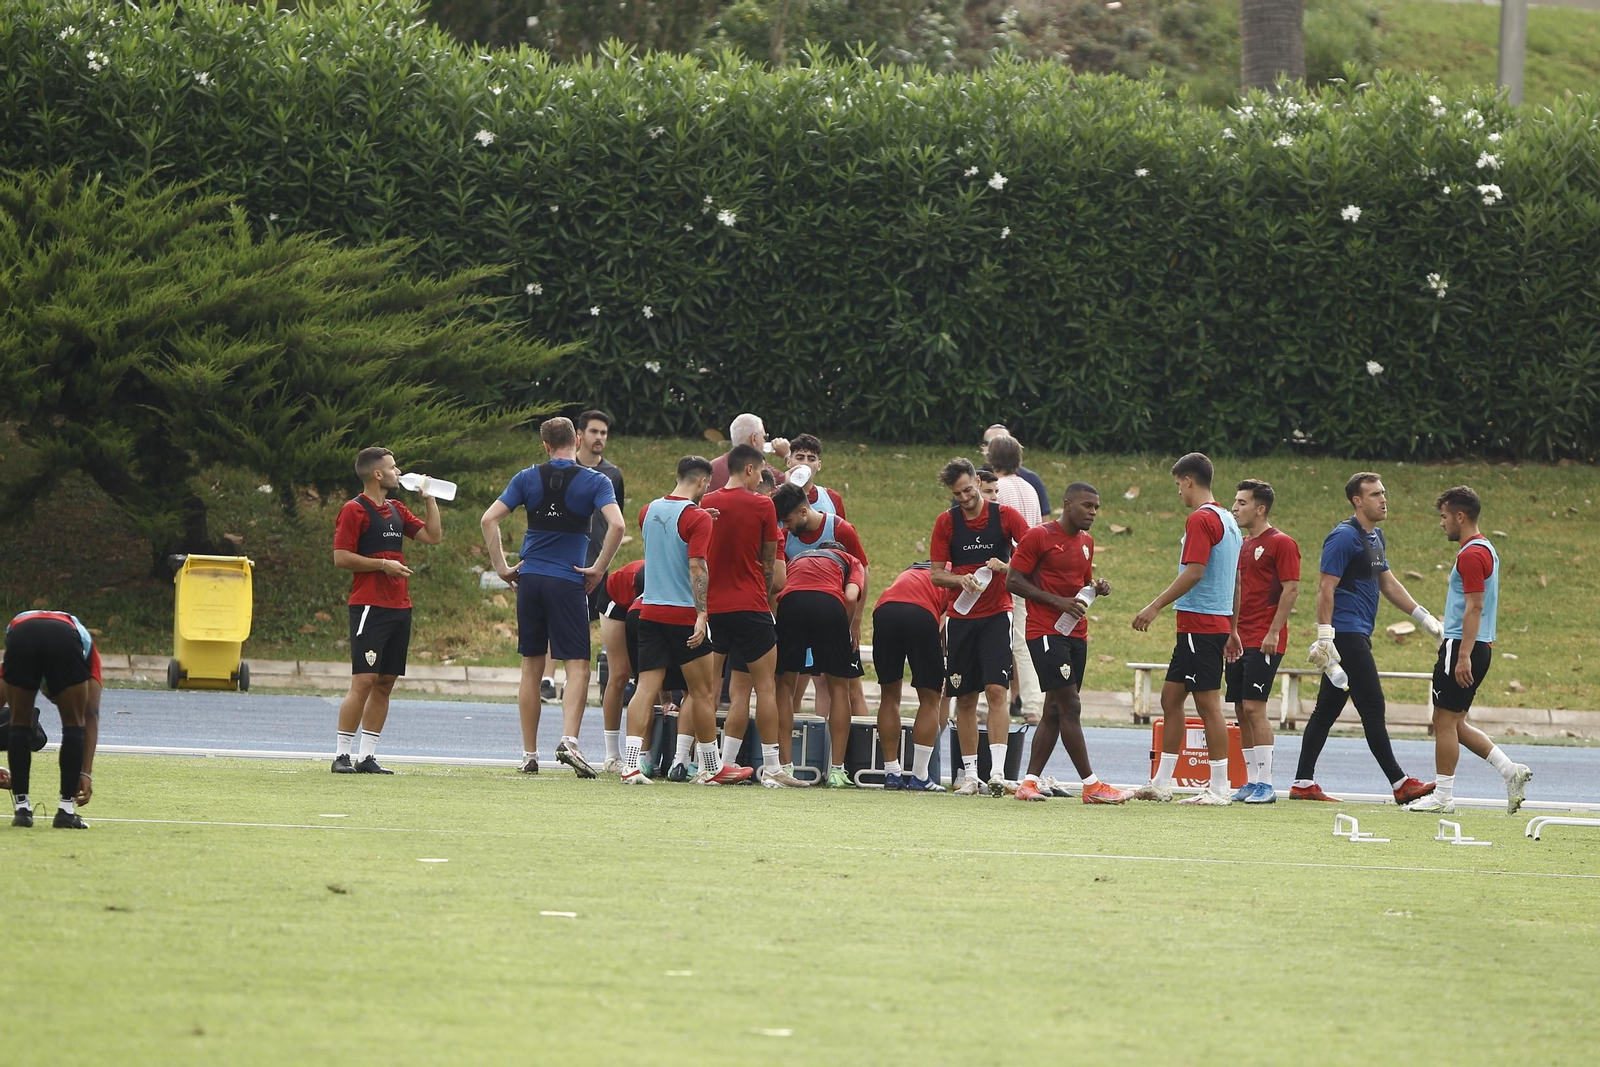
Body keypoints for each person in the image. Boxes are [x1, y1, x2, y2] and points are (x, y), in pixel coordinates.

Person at [481, 417, 624, 777]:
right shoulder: (596, 480)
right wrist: (598, 568)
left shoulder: (527, 477)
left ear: (545, 445)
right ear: (576, 440)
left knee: (531, 666)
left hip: (530, 579)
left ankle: (529, 754)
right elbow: (618, 526)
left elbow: (488, 520)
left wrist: (502, 567)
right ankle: (569, 741)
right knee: (577, 665)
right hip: (567, 580)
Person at [1293, 472, 1439, 805]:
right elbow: (1324, 587)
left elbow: (1387, 583)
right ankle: (1400, 782)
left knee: (1326, 710)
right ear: (1357, 501)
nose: (1383, 499)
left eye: (1383, 492)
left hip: (1358, 631)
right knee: (1372, 706)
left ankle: (1303, 782)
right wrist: (1325, 637)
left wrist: (1423, 617)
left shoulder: (1375, 538)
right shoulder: (1343, 537)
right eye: (1374, 494)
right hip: (1345, 634)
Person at [621, 457, 752, 785]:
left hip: (649, 611)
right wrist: (702, 613)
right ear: (704, 482)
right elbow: (696, 567)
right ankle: (711, 767)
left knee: (646, 689)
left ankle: (632, 764)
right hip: (681, 614)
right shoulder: (697, 518)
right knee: (702, 691)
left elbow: (670, 538)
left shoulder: (648, 511)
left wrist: (699, 519)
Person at [1406, 486, 1532, 815]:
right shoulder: (1485, 549)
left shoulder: (1473, 554)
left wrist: (1461, 655)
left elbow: (1474, 608)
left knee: (1443, 722)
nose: (1441, 523)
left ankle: (1443, 797)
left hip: (1465, 646)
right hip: (1477, 645)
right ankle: (1510, 771)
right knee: (1456, 722)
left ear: (1460, 517)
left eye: (1444, 516)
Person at [1130, 453, 1242, 805]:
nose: (1179, 492)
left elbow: (1194, 571)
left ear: (1189, 481)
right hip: (1209, 623)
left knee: (1208, 704)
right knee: (1170, 698)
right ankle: (1161, 781)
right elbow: (1235, 579)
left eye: (1179, 485)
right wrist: (1234, 628)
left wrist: (1155, 605)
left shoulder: (1201, 519)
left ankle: (1221, 786)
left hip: (1201, 623)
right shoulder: (1230, 519)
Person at [1007, 483, 1128, 804]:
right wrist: (1057, 601)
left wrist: (1096, 587)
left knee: (1054, 709)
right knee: (1071, 705)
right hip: (1045, 633)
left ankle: (1028, 783)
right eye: (1087, 506)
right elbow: (1013, 580)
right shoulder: (1038, 537)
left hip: (1076, 632)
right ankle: (1092, 785)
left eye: (1096, 508)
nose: (1093, 513)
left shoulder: (1087, 542)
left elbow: (1079, 583)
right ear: (1067, 505)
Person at [331, 446, 443, 775]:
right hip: (369, 606)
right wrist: (383, 565)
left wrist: (429, 497)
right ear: (377, 474)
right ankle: (341, 755)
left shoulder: (396, 508)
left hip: (400, 606)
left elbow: (433, 537)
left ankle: (367, 756)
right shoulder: (354, 510)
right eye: (393, 468)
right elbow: (341, 557)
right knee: (363, 680)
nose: (398, 472)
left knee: (385, 682)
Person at [701, 444, 806, 788]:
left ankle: (711, 765)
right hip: (751, 606)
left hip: (715, 607)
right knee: (766, 687)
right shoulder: (762, 505)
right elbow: (768, 563)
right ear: (749, 469)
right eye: (762, 471)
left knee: (708, 689)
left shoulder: (707, 503)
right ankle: (773, 767)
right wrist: (755, 590)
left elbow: (699, 558)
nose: (763, 478)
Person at [930, 458, 1031, 796]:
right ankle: (970, 774)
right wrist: (960, 578)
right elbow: (936, 574)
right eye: (957, 494)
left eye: (969, 490)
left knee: (997, 692)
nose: (964, 498)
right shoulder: (946, 522)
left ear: (978, 480)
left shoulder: (1005, 517)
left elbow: (1034, 555)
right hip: (961, 618)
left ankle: (998, 773)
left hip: (997, 615)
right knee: (965, 697)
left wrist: (1006, 566)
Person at [772, 481, 871, 730]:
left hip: (835, 614)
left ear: (803, 511)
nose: (785, 526)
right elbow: (779, 580)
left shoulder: (841, 529)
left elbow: (862, 571)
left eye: (788, 520)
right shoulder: (785, 536)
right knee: (792, 683)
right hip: (799, 615)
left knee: (846, 685)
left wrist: (855, 621)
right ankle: (802, 747)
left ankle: (854, 748)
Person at [1224, 479, 1300, 804]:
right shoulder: (1240, 545)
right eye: (1235, 502)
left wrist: (1273, 630)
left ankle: (1267, 784)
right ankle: (1251, 781)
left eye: (1241, 503)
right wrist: (1231, 631)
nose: (1234, 508)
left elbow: (1291, 588)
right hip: (1239, 637)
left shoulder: (1281, 543)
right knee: (1240, 708)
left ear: (1260, 508)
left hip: (1265, 638)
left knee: (1255, 707)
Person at [774, 539, 867, 787]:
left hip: (791, 604)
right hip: (828, 605)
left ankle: (784, 767)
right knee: (839, 687)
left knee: (784, 685)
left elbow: (777, 591)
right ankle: (837, 770)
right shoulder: (851, 561)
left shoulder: (799, 558)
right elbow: (850, 597)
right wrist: (844, 630)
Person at [3, 610, 100, 828]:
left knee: (19, 722)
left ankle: (22, 810)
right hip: (64, 637)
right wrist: (86, 772)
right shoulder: (87, 647)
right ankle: (66, 811)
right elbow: (90, 714)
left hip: (21, 633)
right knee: (74, 723)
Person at [872, 562, 950, 792]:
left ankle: (891, 772)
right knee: (930, 697)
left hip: (885, 610)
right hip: (921, 613)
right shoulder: (956, 574)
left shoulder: (911, 569)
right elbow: (945, 622)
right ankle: (920, 776)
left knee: (889, 695)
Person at [987, 435, 1044, 727]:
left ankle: (989, 701)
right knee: (1023, 640)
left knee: (994, 635)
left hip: (1007, 568)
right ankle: (1034, 705)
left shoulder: (999, 490)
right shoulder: (1031, 488)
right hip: (1032, 570)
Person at [576, 409, 626, 624]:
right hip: (568, 558)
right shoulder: (566, 469)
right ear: (579, 435)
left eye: (604, 433)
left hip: (597, 561)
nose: (599, 437)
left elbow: (617, 520)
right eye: (594, 431)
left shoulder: (613, 474)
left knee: (589, 624)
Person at [596, 558, 644, 773]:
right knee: (620, 674)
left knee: (651, 673)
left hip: (647, 603)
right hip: (617, 598)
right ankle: (612, 755)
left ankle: (646, 756)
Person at [980, 424, 1051, 519]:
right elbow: (1039, 525)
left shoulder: (994, 490)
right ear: (1019, 458)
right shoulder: (1031, 489)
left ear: (989, 458)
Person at [707, 413, 788, 492]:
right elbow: (794, 484)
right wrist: (787, 455)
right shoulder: (760, 468)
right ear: (754, 439)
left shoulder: (712, 466)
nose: (764, 441)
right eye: (764, 437)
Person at [784, 433, 846, 518]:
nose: (805, 463)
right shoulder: (774, 496)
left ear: (819, 465)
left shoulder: (832, 498)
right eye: (800, 458)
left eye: (811, 459)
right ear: (789, 462)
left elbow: (842, 530)